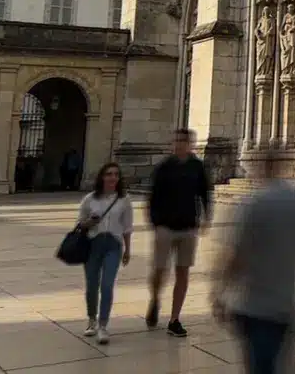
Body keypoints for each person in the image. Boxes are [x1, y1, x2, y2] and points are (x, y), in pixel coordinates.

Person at [211, 151, 295, 374]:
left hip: (253, 305)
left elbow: (236, 254)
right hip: (286, 304)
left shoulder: (252, 203)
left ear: (264, 167)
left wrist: (219, 292)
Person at [146, 128, 213, 338]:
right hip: (165, 226)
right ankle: (155, 298)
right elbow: (153, 196)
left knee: (182, 272)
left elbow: (205, 193)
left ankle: (174, 318)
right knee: (160, 270)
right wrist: (156, 222)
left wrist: (206, 217)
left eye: (183, 141)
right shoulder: (164, 167)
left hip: (188, 226)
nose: (180, 145)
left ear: (190, 144)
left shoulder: (197, 167)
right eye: (177, 141)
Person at [77, 162, 133, 345]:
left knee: (107, 285)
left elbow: (127, 227)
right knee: (92, 285)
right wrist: (89, 222)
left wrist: (128, 249)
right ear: (102, 177)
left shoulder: (124, 200)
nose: (113, 178)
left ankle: (103, 325)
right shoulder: (90, 199)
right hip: (93, 244)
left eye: (116, 174)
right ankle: (92, 319)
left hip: (113, 245)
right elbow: (80, 224)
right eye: (109, 174)